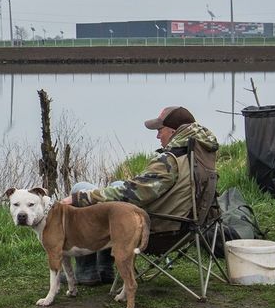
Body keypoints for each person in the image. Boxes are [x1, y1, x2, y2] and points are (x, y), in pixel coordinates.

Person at [62, 105, 220, 284]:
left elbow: (130, 194)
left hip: (152, 230)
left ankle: (86, 271)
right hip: (186, 226)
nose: (157, 136)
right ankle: (104, 268)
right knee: (116, 185)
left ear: (173, 131)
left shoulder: (170, 160)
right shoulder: (201, 152)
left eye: (160, 131)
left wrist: (82, 197)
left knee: (81, 187)